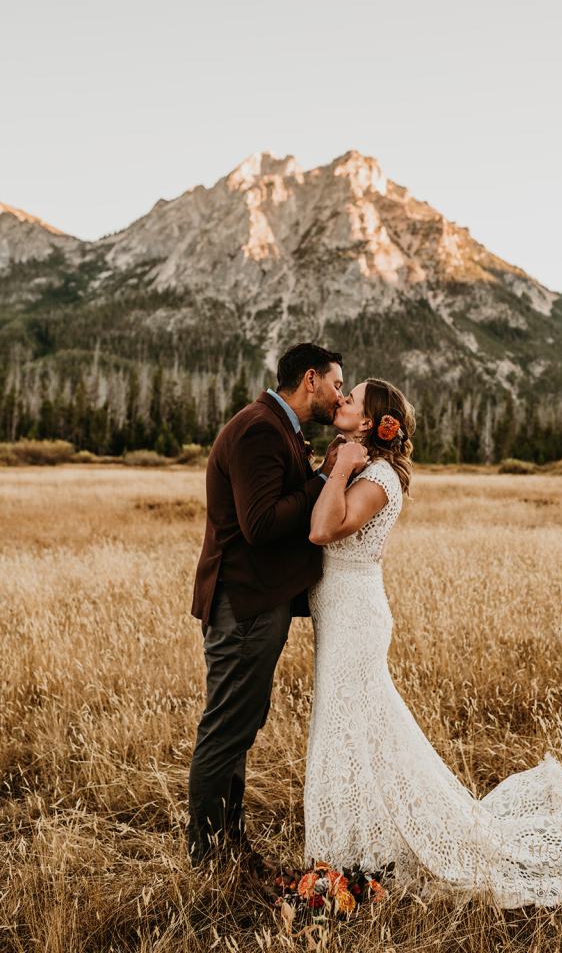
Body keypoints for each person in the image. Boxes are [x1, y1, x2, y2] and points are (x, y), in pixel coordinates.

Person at [304, 377, 562, 908]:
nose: (340, 400)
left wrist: (340, 467)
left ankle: (358, 857)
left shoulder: (379, 477)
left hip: (356, 616)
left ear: (369, 423)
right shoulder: (363, 464)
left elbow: (322, 530)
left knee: (353, 728)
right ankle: (358, 847)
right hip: (338, 611)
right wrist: (336, 464)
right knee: (355, 730)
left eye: (352, 398)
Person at [187, 343, 347, 869]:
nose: (340, 394)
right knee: (227, 727)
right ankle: (207, 855)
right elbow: (258, 525)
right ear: (310, 380)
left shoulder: (277, 427)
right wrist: (323, 479)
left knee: (240, 723)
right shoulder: (259, 428)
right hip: (245, 604)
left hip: (256, 602)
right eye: (336, 384)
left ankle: (228, 846)